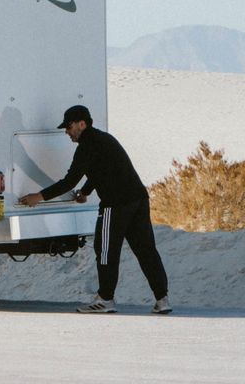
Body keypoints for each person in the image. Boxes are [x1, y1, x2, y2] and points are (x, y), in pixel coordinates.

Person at [17, 105, 171, 314]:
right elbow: (101, 169)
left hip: (115, 204)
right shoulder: (104, 139)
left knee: (105, 250)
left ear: (82, 123)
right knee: (146, 251)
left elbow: (69, 180)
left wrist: (39, 197)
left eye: (69, 126)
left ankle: (105, 299)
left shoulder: (86, 145)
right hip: (138, 199)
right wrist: (87, 191)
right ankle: (162, 299)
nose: (67, 132)